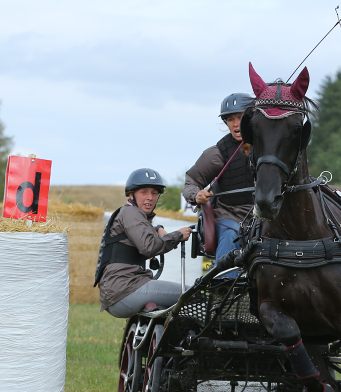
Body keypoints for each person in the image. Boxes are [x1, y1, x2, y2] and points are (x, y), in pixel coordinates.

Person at [98, 168, 192, 318]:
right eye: (144, 192)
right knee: (193, 293)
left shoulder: (131, 214)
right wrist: (178, 235)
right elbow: (148, 246)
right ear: (131, 194)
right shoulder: (131, 212)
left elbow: (137, 233)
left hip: (119, 292)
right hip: (127, 290)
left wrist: (157, 229)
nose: (150, 197)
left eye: (154, 193)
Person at [183, 93, 256, 265]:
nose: (236, 124)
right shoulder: (216, 154)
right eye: (230, 119)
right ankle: (223, 284)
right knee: (233, 234)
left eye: (240, 117)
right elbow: (190, 181)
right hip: (228, 215)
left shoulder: (269, 148)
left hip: (264, 217)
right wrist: (196, 195)